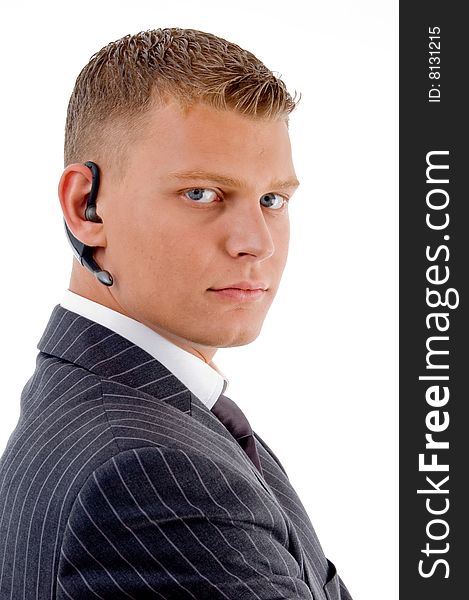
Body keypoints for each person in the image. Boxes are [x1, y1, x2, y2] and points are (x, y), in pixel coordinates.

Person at [0, 28, 353, 599]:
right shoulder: (150, 473)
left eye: (272, 200)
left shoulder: (155, 414)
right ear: (84, 208)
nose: (255, 242)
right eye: (201, 193)